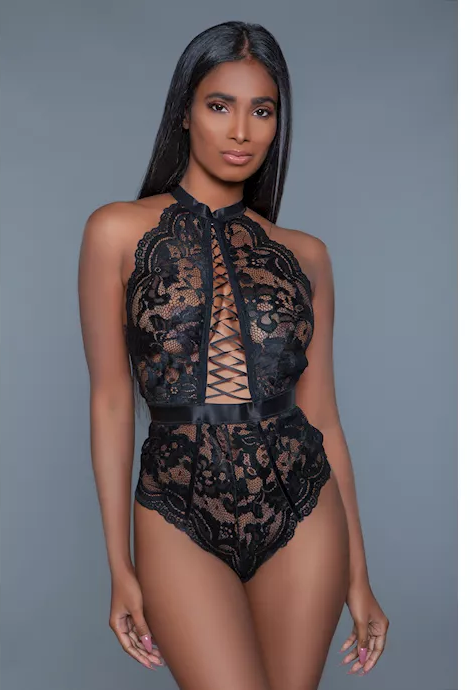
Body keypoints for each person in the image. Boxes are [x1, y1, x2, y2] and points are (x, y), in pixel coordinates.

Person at [78, 20, 389, 690]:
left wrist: (359, 577)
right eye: (220, 105)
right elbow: (110, 402)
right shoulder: (115, 231)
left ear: (278, 124)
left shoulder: (307, 255)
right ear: (185, 113)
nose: (242, 131)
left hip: (304, 509)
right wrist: (118, 566)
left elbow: (324, 419)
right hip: (176, 509)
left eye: (262, 110)